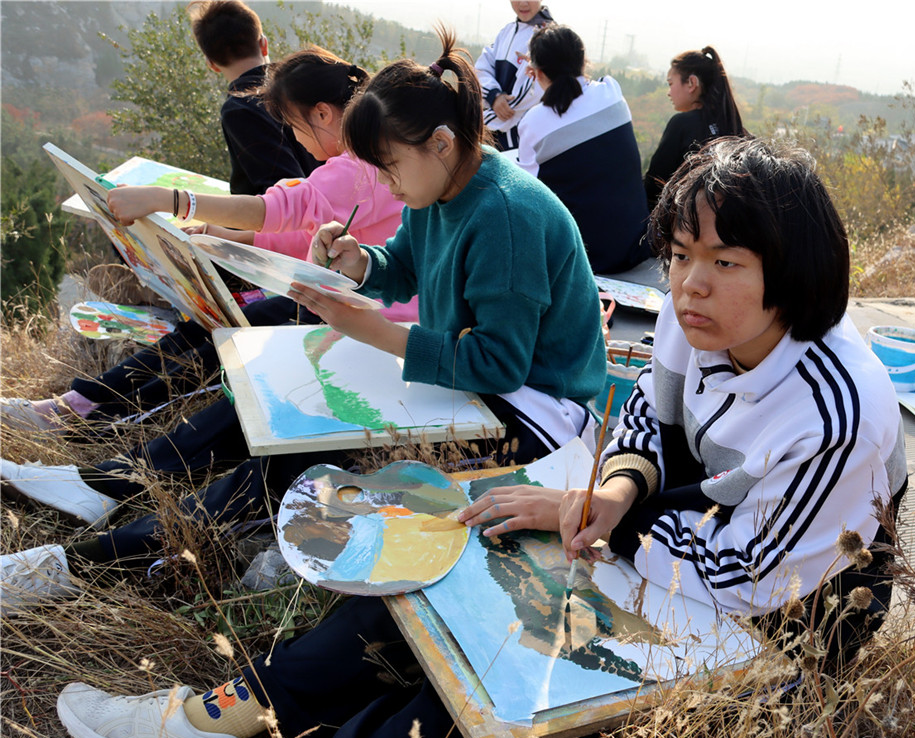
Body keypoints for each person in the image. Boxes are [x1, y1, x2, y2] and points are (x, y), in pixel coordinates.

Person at [50, 137, 901, 738]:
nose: (687, 286)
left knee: (511, 665)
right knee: (455, 559)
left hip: (784, 616)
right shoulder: (699, 312)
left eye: (724, 261)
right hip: (682, 532)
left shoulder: (834, 412)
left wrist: (594, 521)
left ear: (791, 271)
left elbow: (747, 576)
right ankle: (210, 723)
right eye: (678, 255)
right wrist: (610, 492)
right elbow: (648, 413)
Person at [2, 31, 606, 622]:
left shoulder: (506, 214)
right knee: (280, 407)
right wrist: (358, 263)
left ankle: (85, 562)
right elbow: (401, 269)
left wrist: (371, 330)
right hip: (470, 386)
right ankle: (103, 498)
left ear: (442, 143)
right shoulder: (446, 186)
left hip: (528, 412)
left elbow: (499, 363)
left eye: (390, 169)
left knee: (310, 447)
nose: (389, 186)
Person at [0, 48, 412, 443]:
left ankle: (83, 414)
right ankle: (75, 404)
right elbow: (304, 229)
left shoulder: (356, 168)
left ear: (323, 113)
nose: (298, 141)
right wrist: (228, 237)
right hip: (341, 302)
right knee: (214, 326)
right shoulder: (365, 160)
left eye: (296, 128)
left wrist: (170, 200)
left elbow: (280, 209)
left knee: (227, 341)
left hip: (369, 320)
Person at [517, 23, 650, 274]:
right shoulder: (611, 91)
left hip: (584, 258)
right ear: (583, 61)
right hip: (636, 245)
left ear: (536, 72)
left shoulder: (533, 122)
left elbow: (526, 195)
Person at [188, 0, 320, 194]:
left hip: (293, 219)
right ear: (264, 44)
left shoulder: (240, 109)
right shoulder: (304, 81)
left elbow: (286, 190)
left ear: (211, 64)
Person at [643, 46, 747, 210]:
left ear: (691, 83)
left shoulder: (682, 124)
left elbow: (655, 184)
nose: (668, 93)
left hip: (685, 226)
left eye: (671, 83)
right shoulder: (738, 131)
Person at [476, 0, 554, 151]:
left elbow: (531, 93)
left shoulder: (548, 36)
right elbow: (481, 69)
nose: (522, 3)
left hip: (522, 141)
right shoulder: (507, 31)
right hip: (493, 135)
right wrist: (494, 96)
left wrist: (481, 118)